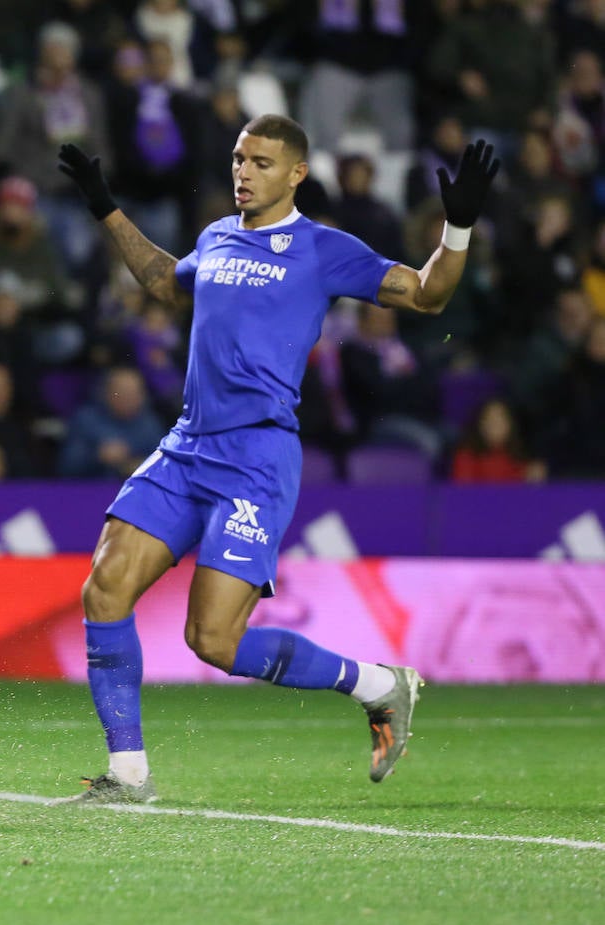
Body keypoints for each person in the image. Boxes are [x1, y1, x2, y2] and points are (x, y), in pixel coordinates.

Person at [54, 115, 498, 801]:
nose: (243, 172)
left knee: (214, 641)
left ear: (296, 174)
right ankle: (127, 774)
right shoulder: (216, 236)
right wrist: (105, 206)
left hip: (256, 457)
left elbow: (427, 293)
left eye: (261, 162)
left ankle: (380, 686)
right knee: (104, 587)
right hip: (186, 445)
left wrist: (457, 227)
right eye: (237, 158)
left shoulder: (321, 249)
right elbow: (167, 283)